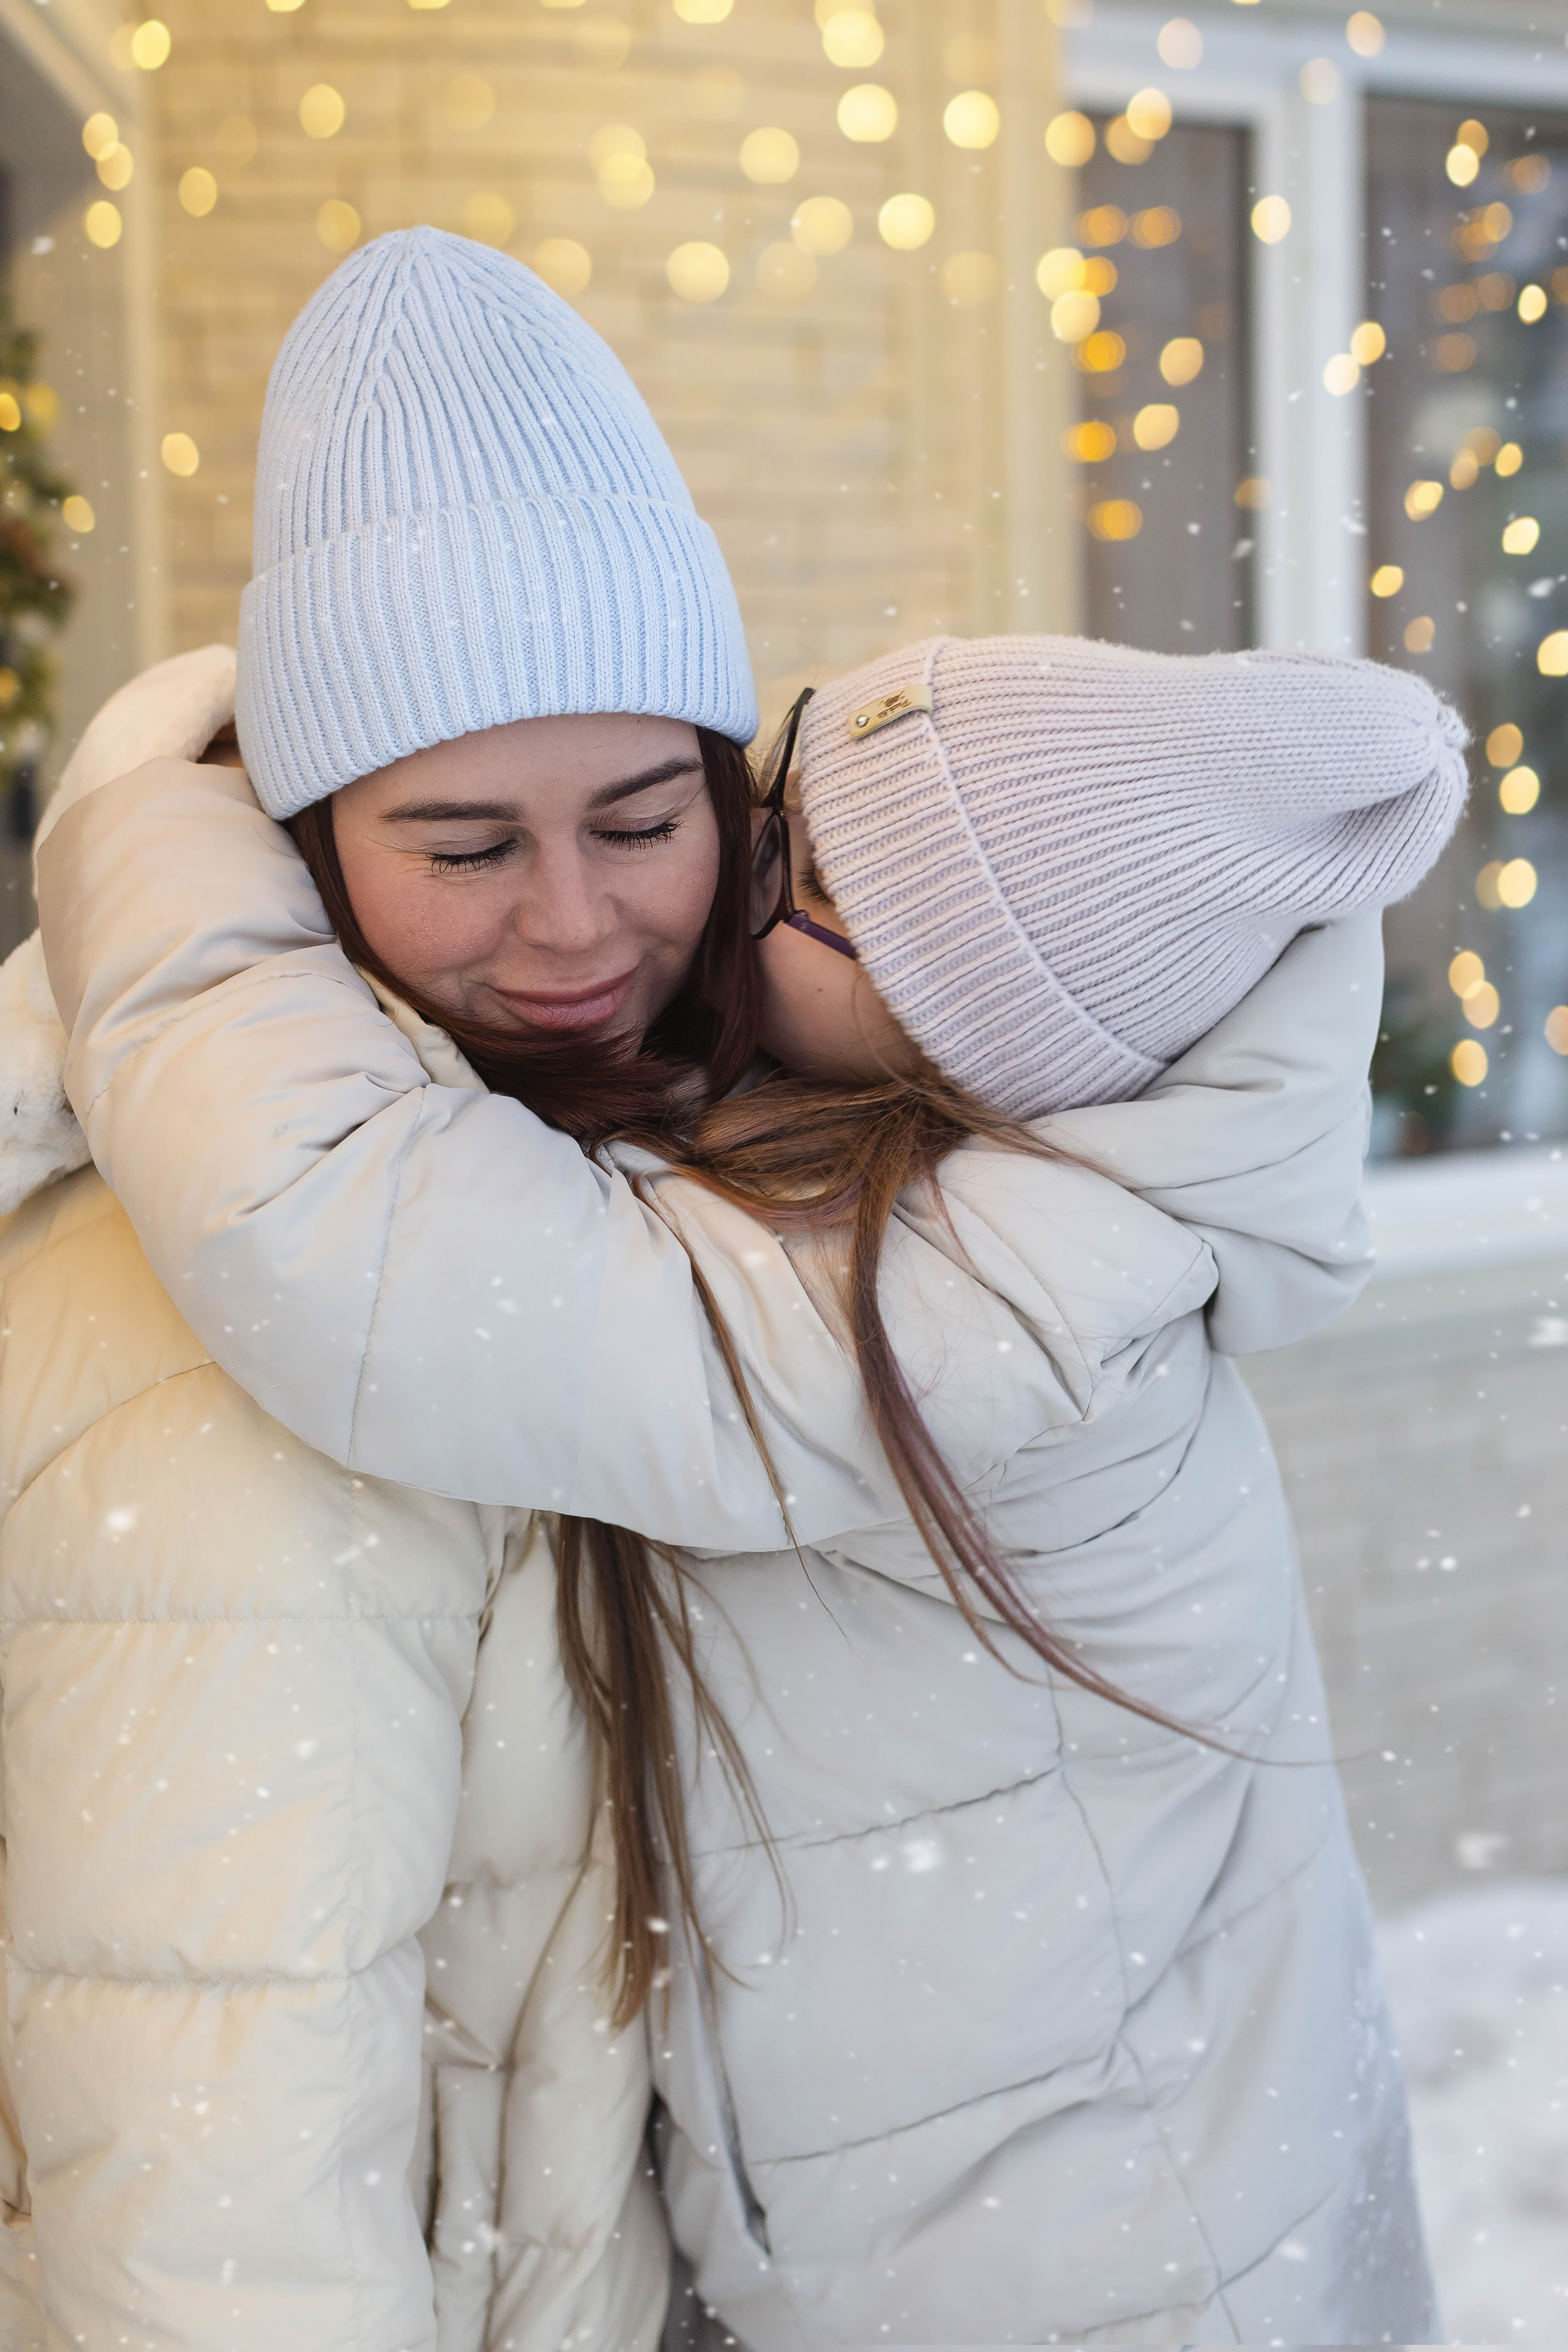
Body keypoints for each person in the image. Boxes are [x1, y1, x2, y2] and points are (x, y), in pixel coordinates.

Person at [16, 228, 1468, 2346]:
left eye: (645, 816)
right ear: (310, 839)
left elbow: (439, 1273)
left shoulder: (863, 1202)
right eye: (465, 844)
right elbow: (209, 2119)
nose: (579, 928)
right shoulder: (181, 1312)